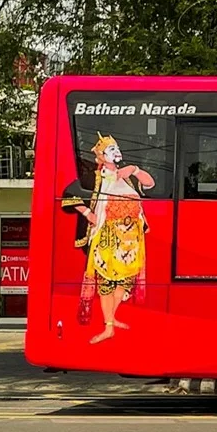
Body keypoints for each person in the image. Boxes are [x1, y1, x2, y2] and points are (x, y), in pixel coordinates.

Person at [69, 135, 154, 344]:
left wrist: (134, 169)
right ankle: (108, 325)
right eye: (111, 149)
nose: (116, 151)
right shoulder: (94, 177)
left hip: (131, 237)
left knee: (126, 280)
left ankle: (112, 319)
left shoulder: (128, 176)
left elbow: (150, 183)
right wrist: (88, 214)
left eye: (116, 148)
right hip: (107, 235)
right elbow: (69, 194)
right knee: (106, 280)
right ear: (101, 156)